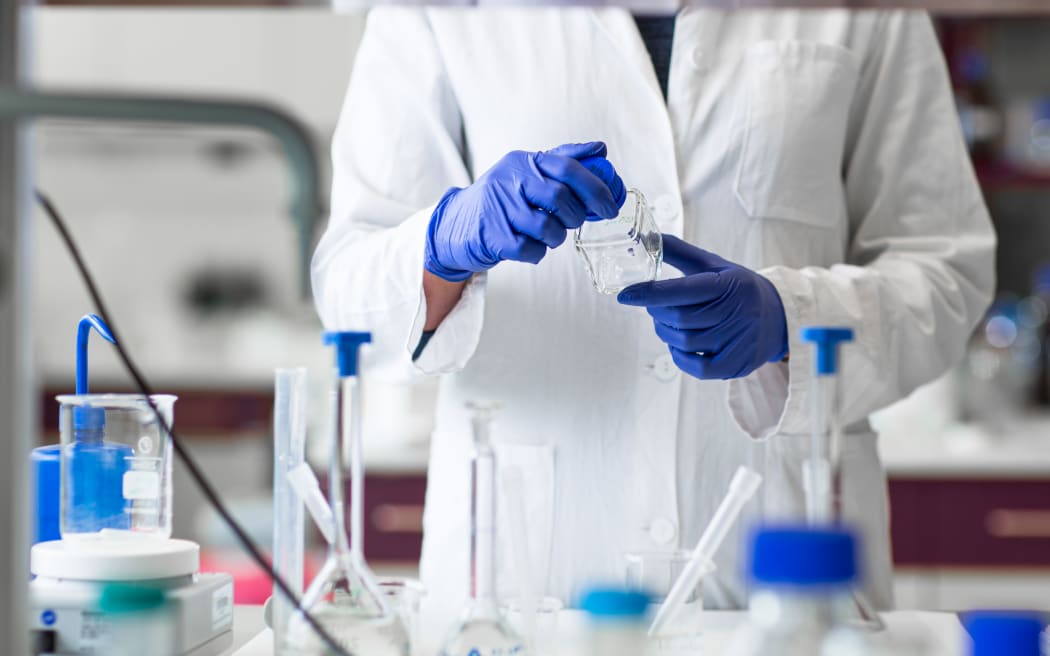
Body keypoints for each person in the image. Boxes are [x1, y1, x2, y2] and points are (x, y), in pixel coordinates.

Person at [312, 7, 995, 622]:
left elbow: (946, 269)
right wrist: (442, 246)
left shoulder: (876, 14)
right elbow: (348, 296)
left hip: (782, 578)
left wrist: (788, 321)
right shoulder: (431, 12)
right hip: (523, 589)